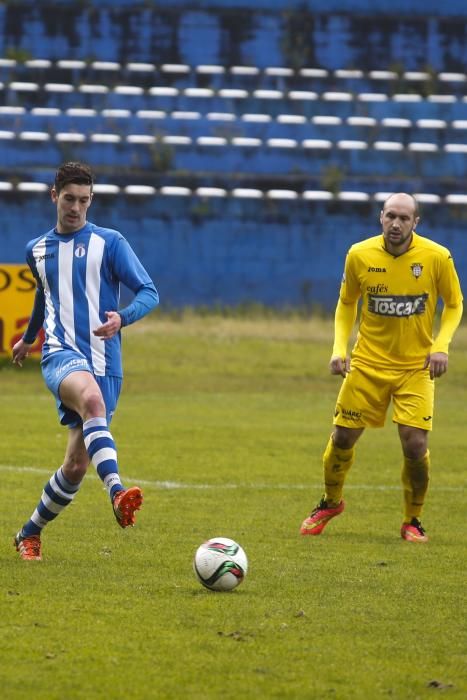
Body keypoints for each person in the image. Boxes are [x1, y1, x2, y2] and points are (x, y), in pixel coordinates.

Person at [12, 161, 159, 560]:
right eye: (70, 199)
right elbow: (45, 297)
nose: (76, 207)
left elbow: (149, 291)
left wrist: (122, 317)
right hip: (60, 354)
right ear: (54, 196)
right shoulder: (37, 249)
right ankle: (116, 492)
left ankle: (29, 533)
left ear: (91, 201)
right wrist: (30, 340)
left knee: (76, 466)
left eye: (84, 201)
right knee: (91, 401)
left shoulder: (110, 243)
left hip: (106, 363)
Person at [300, 193, 463, 543]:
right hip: (367, 364)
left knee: (414, 443)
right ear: (380, 217)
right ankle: (330, 502)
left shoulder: (436, 257)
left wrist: (441, 347)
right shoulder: (359, 254)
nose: (396, 224)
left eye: (404, 218)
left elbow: (453, 304)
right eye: (391, 216)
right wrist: (338, 349)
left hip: (415, 367)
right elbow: (346, 304)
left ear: (415, 223)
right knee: (342, 436)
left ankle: (412, 520)